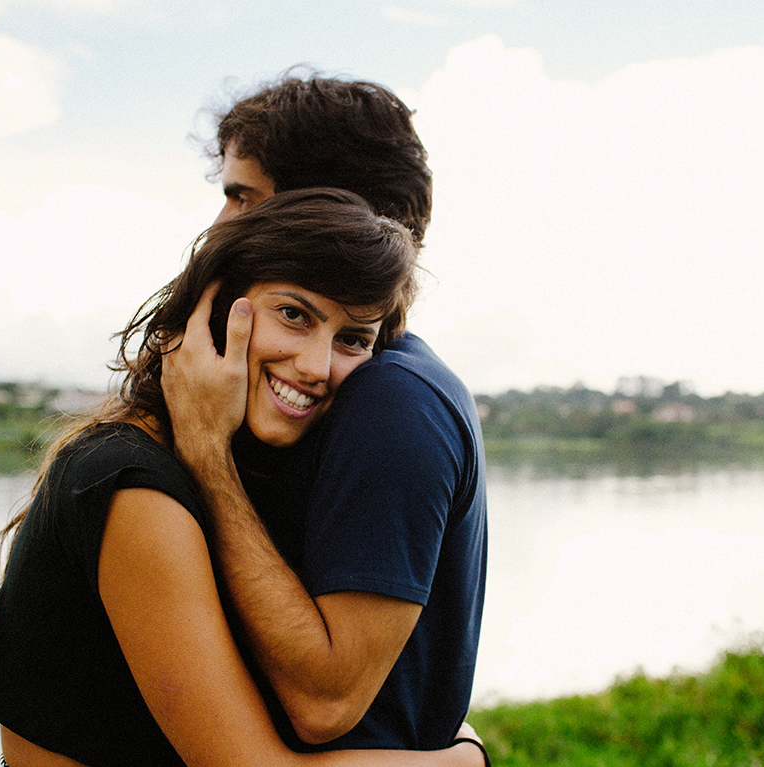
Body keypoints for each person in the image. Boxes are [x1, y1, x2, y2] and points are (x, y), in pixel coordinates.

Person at [0, 189, 487, 767]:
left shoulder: (220, 470)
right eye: (294, 314)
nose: (316, 366)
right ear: (214, 310)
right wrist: (459, 761)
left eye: (352, 340)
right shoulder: (131, 488)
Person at [162, 71, 488, 751]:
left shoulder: (391, 400)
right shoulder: (357, 384)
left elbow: (326, 698)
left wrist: (205, 454)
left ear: (324, 216)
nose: (220, 224)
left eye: (243, 198)